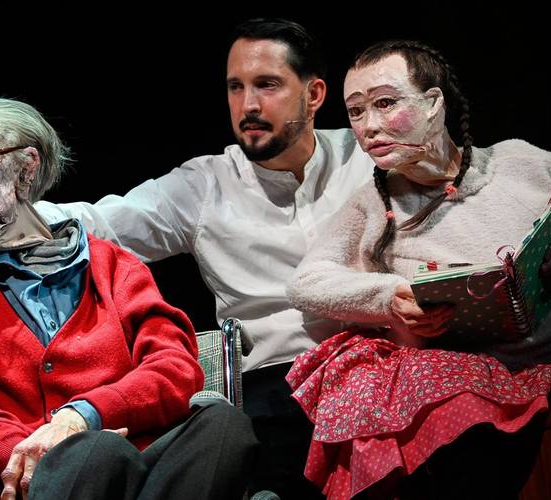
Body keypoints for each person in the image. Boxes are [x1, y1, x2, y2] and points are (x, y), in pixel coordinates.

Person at [36, 18, 373, 498]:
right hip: (276, 389)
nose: (248, 105)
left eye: (267, 85)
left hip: (380, 367)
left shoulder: (367, 156)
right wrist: (4, 209)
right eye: (236, 87)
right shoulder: (205, 186)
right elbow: (102, 221)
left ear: (314, 94)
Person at [285, 40, 551, 499]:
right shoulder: (373, 203)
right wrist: (390, 297)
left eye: (385, 103)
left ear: (433, 103)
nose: (369, 126)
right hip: (460, 382)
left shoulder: (526, 163)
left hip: (545, 363)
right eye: (356, 111)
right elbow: (306, 283)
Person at [0, 97, 258, 500]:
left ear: (26, 169)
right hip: (28, 479)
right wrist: (31, 454)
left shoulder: (115, 266)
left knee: (224, 426)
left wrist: (83, 415)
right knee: (94, 454)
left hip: (141, 464)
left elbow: (175, 368)